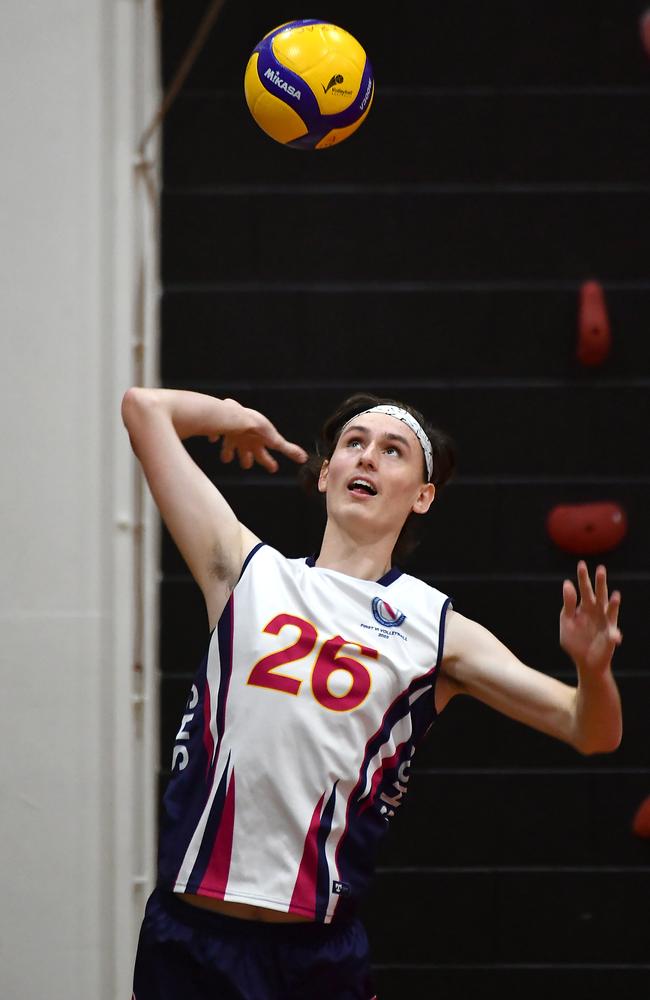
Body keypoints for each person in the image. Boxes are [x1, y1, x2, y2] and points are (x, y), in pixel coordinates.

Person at [122, 387, 623, 1000]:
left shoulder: (436, 629)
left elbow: (590, 730)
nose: (366, 457)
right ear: (325, 470)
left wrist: (594, 672)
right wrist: (236, 417)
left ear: (422, 496)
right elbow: (144, 409)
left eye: (393, 451)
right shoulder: (246, 571)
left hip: (315, 956)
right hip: (189, 939)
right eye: (353, 444)